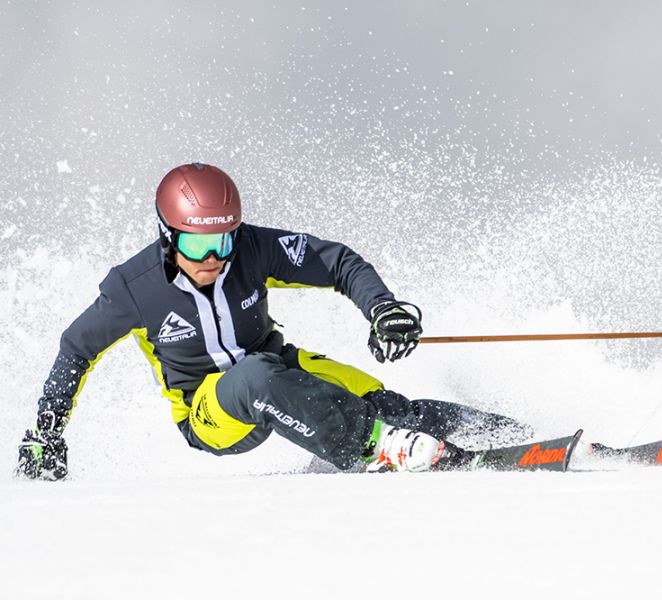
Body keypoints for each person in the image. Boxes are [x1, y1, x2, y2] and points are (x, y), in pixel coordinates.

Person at [16, 163, 530, 481]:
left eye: (225, 240)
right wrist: (47, 432)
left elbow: (338, 262)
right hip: (210, 412)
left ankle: (514, 437)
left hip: (278, 367)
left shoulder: (254, 250)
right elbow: (75, 349)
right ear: (168, 235)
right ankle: (376, 446)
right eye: (197, 244)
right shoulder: (134, 288)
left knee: (389, 404)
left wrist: (383, 309)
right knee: (253, 380)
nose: (213, 257)